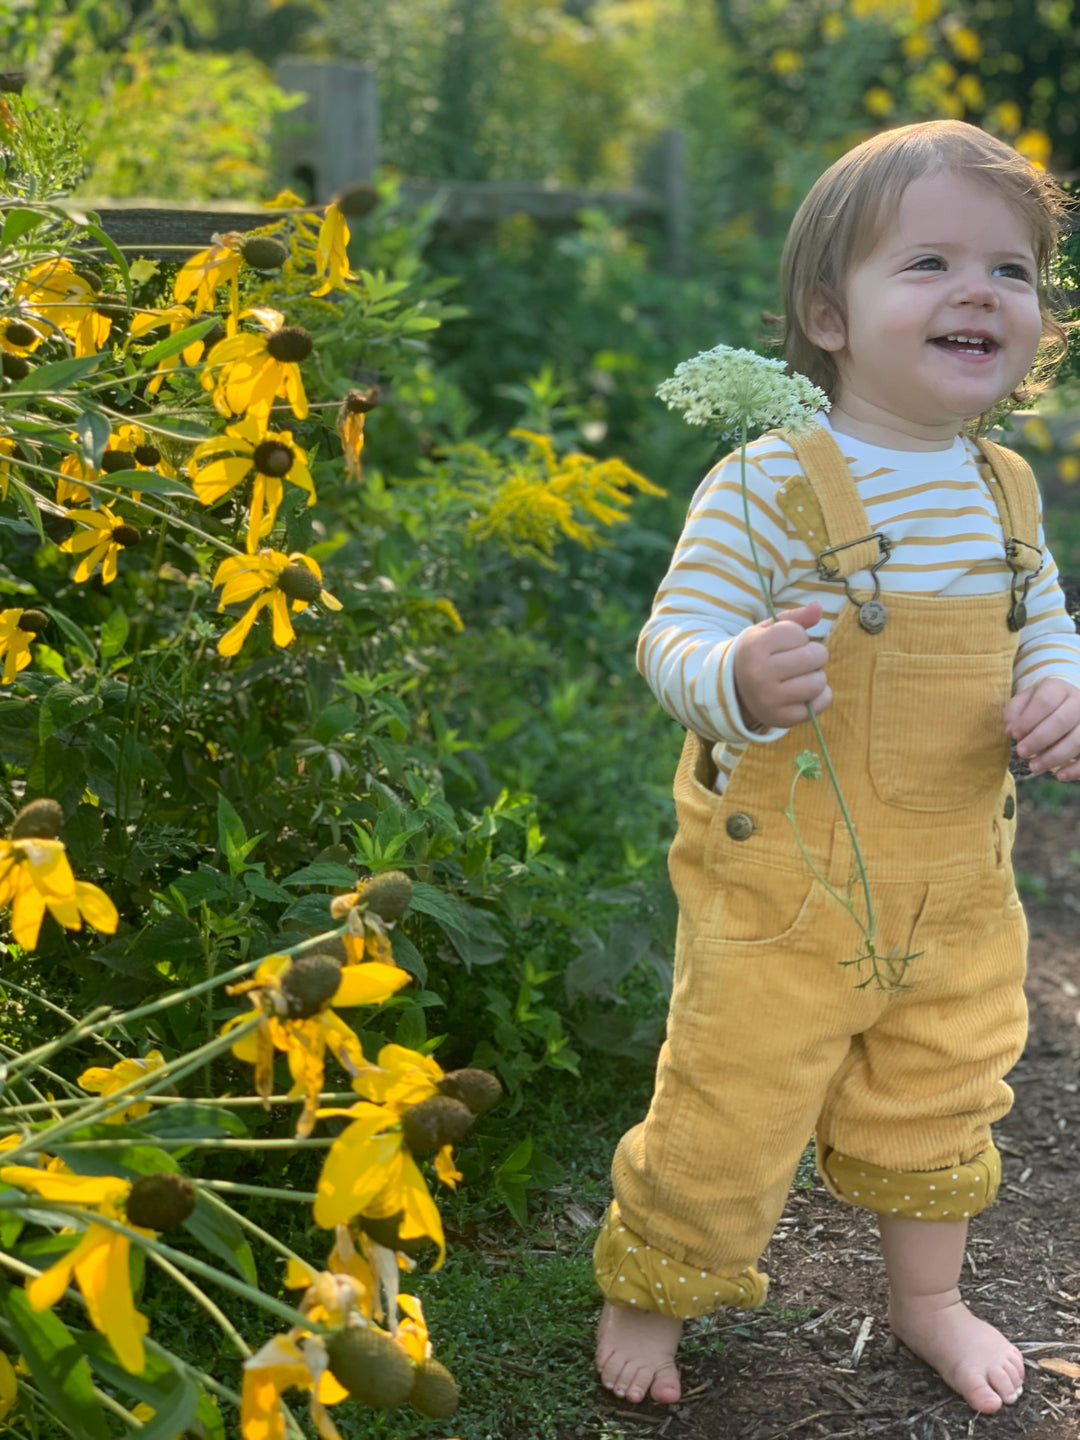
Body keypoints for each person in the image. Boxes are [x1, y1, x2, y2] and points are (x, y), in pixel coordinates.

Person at [593, 119, 1080, 1417]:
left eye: (1014, 271)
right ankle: (652, 1288)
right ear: (828, 313)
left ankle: (927, 1300)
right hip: (786, 884)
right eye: (928, 263)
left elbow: (1047, 624)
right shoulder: (765, 482)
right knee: (732, 1093)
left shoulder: (1008, 492)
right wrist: (737, 674)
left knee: (947, 1084)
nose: (980, 291)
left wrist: (1061, 693)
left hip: (956, 881)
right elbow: (670, 635)